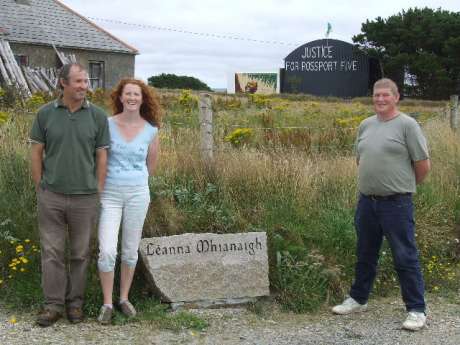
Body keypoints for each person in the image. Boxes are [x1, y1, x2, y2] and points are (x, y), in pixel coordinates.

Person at [332, 78, 431, 331]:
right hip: (367, 202)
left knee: (405, 256)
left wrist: (402, 187)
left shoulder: (408, 125)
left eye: (386, 95)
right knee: (365, 253)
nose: (380, 99)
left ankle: (416, 309)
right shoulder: (365, 125)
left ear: (396, 97)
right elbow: (361, 159)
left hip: (396, 204)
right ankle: (358, 298)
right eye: (377, 95)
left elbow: (422, 165)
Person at [30, 63, 110, 327]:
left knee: (80, 253)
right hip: (51, 195)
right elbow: (37, 151)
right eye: (78, 81)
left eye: (86, 81)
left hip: (85, 197)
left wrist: (97, 189)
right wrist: (40, 185)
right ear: (63, 83)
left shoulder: (98, 116)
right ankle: (52, 305)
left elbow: (101, 155)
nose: (84, 86)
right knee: (52, 252)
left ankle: (75, 304)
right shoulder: (44, 114)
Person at [96, 79, 161, 324]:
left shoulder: (151, 130)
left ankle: (123, 298)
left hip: (137, 194)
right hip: (109, 195)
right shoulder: (107, 124)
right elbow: (100, 159)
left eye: (137, 94)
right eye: (128, 94)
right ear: (120, 98)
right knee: (107, 251)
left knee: (130, 250)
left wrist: (135, 182)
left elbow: (150, 167)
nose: (132, 98)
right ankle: (107, 303)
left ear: (142, 99)